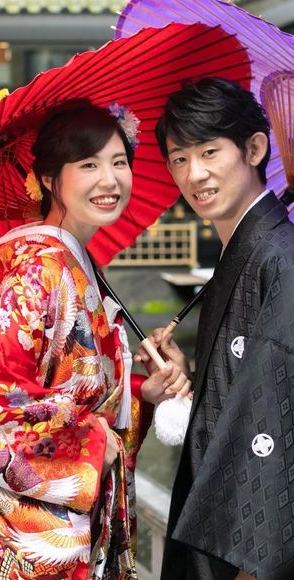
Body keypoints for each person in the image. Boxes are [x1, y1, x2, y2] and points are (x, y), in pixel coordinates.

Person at [0, 102, 191, 579]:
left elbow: (78, 391)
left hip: (68, 531)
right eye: (89, 165)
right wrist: (92, 444)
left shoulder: (75, 266)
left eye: (119, 162)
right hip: (32, 543)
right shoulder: (40, 274)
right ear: (48, 179)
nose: (110, 180)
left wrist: (138, 394)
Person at [141, 77, 294, 580]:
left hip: (247, 551)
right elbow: (245, 385)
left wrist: (254, 568)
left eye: (209, 151)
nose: (195, 173)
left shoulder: (280, 258)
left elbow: (278, 421)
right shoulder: (244, 252)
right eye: (179, 158)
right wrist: (193, 379)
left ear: (255, 148)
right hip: (218, 525)